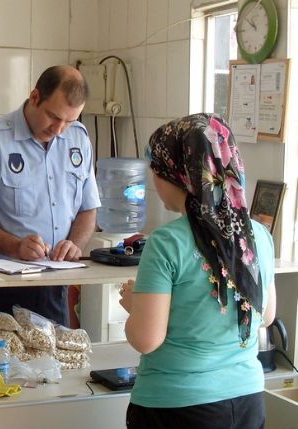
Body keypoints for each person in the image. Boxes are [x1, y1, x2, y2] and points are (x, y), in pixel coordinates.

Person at [118, 113, 276, 429]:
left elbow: (146, 339)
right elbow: (266, 315)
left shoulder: (167, 242)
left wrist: (136, 305)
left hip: (178, 405)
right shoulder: (257, 233)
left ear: (174, 173)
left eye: (155, 169)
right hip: (247, 400)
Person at [0, 65, 100, 326]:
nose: (59, 129)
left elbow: (88, 209)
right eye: (53, 117)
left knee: (56, 364)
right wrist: (16, 246)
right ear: (35, 98)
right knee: (2, 366)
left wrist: (75, 244)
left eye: (69, 121)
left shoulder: (78, 139)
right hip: (3, 286)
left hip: (56, 284)